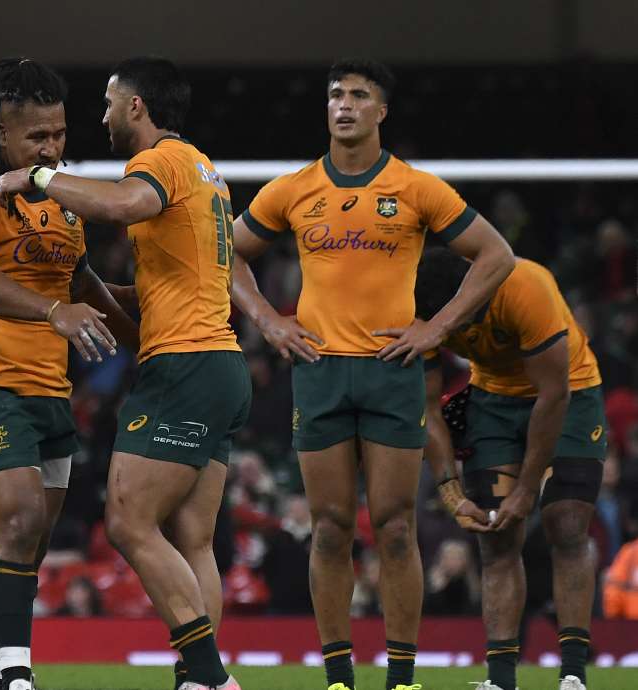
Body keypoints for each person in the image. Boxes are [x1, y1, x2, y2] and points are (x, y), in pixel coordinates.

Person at [228, 59, 515, 690]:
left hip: (393, 372)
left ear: (381, 112)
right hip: (321, 372)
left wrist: (435, 328)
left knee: (394, 526)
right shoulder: (293, 188)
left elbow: (497, 256)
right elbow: (226, 256)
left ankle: (402, 678)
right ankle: (338, 677)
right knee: (328, 528)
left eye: (359, 95)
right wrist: (269, 323)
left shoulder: (416, 188)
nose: (345, 105)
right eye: (336, 95)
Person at [0, 56, 250, 690]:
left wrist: (39, 176)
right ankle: (197, 681)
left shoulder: (158, 162)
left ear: (136, 106)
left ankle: (212, 677)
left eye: (109, 102)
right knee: (193, 538)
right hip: (221, 364)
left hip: (185, 364)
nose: (102, 115)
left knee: (129, 523)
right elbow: (177, 279)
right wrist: (92, 288)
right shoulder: (204, 171)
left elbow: (124, 204)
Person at [0, 57, 133, 690]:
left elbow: (81, 285)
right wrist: (52, 310)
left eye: (60, 134)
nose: (51, 147)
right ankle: (20, 675)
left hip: (49, 390)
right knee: (16, 523)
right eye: (36, 138)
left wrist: (153, 324)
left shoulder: (63, 204)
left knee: (26, 546)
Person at [419, 248, 606, 690]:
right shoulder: (418, 309)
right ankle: (501, 680)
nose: (462, 330)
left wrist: (526, 488)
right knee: (495, 535)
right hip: (493, 400)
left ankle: (573, 674)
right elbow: (425, 406)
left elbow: (552, 395)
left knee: (568, 524)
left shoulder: (526, 286)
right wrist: (450, 492)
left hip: (570, 392)